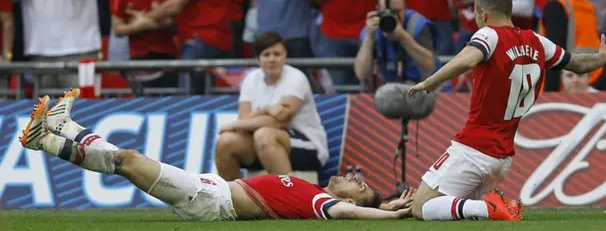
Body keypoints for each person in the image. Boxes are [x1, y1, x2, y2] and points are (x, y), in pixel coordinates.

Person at [407, 0, 606, 222]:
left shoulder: (488, 35)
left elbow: (466, 59)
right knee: (454, 211)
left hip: (474, 148)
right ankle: (488, 208)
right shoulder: (537, 41)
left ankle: (490, 208)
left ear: (483, 14)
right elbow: (577, 63)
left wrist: (429, 82)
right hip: (502, 158)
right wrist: (602, 57)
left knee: (422, 207)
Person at [20, 90, 413, 221]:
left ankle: (48, 141)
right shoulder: (316, 193)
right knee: (129, 158)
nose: (355, 178)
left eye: (359, 187)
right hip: (214, 189)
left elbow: (351, 212)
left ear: (346, 199)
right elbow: (359, 205)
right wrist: (389, 202)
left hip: (212, 201)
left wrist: (389, 214)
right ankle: (62, 129)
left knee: (127, 161)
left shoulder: (324, 203)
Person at [215, 32, 328, 181]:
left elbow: (278, 121)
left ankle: (288, 198)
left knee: (265, 134)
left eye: (277, 54)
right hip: (262, 141)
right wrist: (267, 109)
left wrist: (236, 124)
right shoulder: (251, 79)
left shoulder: (296, 78)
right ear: (257, 59)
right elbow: (243, 119)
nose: (272, 59)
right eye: (266, 54)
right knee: (226, 142)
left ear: (285, 57)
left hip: (308, 146)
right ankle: (232, 199)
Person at [538, 0, 602, 91]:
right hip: (592, 78)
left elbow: (554, 55)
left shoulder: (556, 5)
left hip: (568, 85)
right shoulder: (584, 3)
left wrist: (550, 94)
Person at [354, 0, 437, 85]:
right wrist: (369, 38)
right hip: (387, 87)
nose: (393, 17)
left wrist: (404, 38)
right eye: (388, 12)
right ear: (377, 10)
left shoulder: (417, 24)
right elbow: (361, 74)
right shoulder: (371, 29)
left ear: (406, 8)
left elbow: (431, 67)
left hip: (421, 87)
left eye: (397, 11)